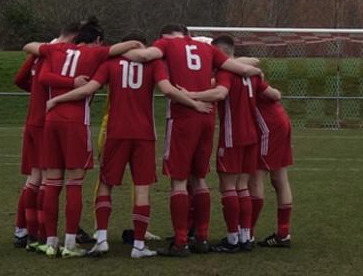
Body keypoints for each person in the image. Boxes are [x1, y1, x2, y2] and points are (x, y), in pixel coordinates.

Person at [45, 30, 214, 259]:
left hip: (116, 132)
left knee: (106, 184)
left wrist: (56, 99)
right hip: (144, 134)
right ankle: (138, 246)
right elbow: (167, 90)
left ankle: (102, 239)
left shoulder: (111, 63)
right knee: (142, 189)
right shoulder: (154, 64)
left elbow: (87, 90)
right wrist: (195, 104)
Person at [122, 23, 262, 258]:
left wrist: (113, 50)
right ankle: (202, 237)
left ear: (164, 36)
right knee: (199, 178)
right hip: (207, 116)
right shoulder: (205, 48)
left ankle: (180, 242)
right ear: (187, 34)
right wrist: (256, 71)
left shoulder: (165, 44)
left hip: (182, 116)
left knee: (178, 181)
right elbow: (241, 66)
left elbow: (144, 55)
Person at [24, 17, 143, 258]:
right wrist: (138, 47)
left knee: (52, 183)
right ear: (97, 40)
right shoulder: (95, 56)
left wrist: (62, 84)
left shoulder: (56, 49)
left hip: (51, 120)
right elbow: (126, 47)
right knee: (74, 184)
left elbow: (34, 56)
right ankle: (70, 243)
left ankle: (49, 242)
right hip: (76, 121)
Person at [186, 34, 281, 253]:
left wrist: (192, 95)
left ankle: (232, 239)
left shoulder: (225, 72)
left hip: (232, 135)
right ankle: (245, 236)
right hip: (252, 136)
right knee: (242, 187)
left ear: (218, 53)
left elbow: (220, 93)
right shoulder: (250, 75)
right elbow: (273, 94)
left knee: (227, 187)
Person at [12, 21, 80, 252]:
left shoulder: (38, 53)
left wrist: (35, 96)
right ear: (72, 40)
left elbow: (20, 79)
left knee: (34, 178)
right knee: (45, 180)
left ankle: (23, 230)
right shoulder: (55, 55)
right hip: (45, 122)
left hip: (32, 120)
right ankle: (38, 234)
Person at [249, 55, 294, 249]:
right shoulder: (245, 70)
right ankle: (283, 234)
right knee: (279, 178)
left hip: (269, 126)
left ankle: (247, 233)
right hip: (280, 121)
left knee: (256, 178)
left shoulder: (245, 73)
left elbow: (274, 95)